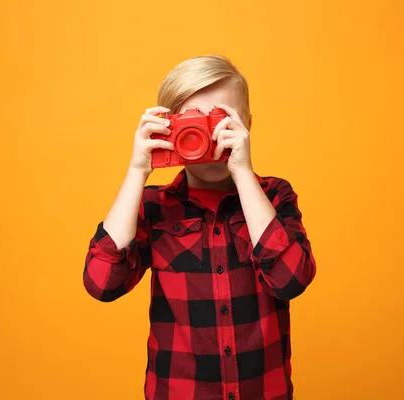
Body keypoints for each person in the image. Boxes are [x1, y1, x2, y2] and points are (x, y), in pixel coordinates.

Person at [83, 54, 316, 400]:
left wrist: (241, 170)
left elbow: (290, 280)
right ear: (167, 130)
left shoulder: (274, 195)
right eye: (191, 122)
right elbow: (101, 283)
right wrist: (137, 171)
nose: (204, 136)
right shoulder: (153, 207)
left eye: (221, 120)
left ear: (247, 125)